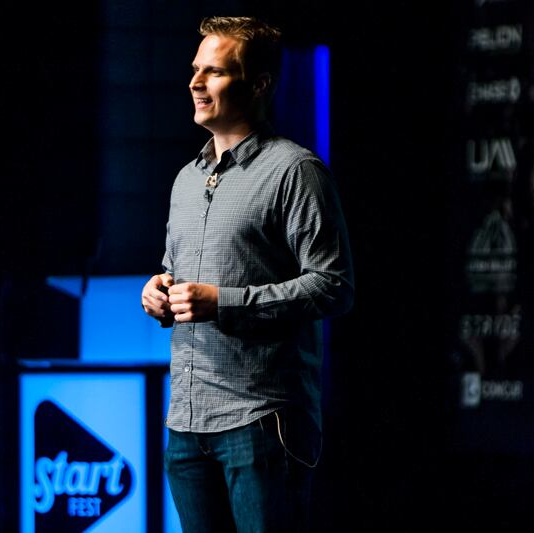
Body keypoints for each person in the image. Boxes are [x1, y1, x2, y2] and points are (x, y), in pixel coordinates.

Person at [141, 16, 354, 532]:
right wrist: (157, 291)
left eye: (213, 72)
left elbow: (334, 286)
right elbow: (178, 269)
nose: (195, 82)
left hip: (261, 421)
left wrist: (225, 302)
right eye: (196, 70)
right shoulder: (185, 180)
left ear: (258, 84)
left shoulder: (295, 171)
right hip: (186, 425)